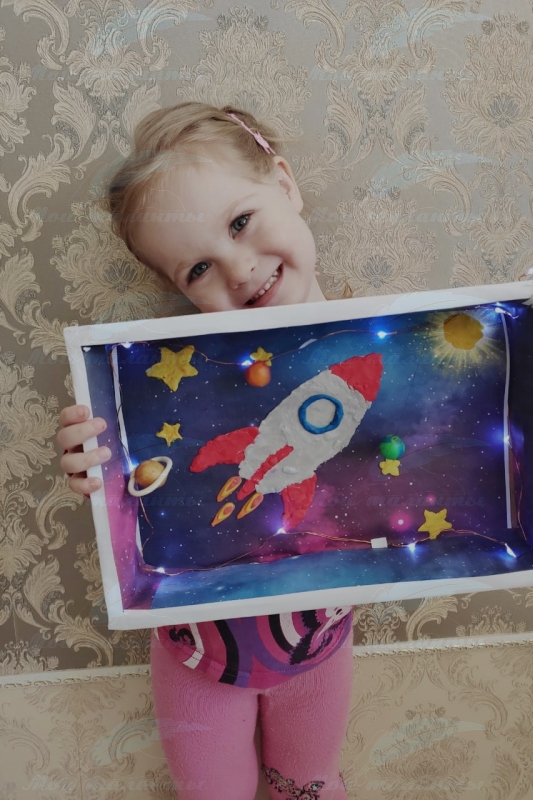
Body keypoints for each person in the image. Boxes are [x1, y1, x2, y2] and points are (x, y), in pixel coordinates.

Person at [56, 103, 354, 800]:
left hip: (317, 646)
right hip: (198, 655)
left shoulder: (389, 350)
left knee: (310, 785)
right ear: (179, 289)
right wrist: (95, 465)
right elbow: (147, 488)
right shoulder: (171, 389)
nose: (240, 269)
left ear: (285, 182)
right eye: (198, 269)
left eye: (241, 222)